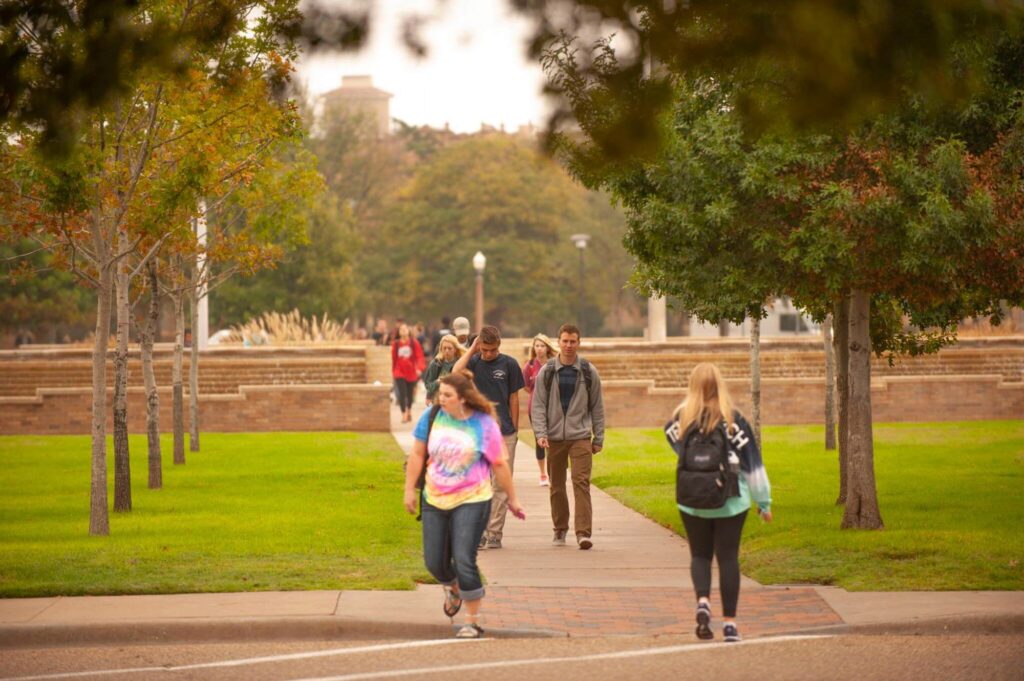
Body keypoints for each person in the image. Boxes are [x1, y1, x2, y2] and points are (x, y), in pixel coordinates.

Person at [403, 371, 525, 639]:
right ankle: (453, 586)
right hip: (435, 498)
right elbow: (417, 453)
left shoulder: (483, 424)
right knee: (434, 562)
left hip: (473, 499)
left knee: (464, 558)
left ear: (463, 398)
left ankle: (472, 621)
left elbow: (499, 464)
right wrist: (409, 489)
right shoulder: (432, 416)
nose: (441, 399)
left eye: (447, 395)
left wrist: (513, 499)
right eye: (440, 394)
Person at [664, 362, 772, 643]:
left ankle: (702, 601)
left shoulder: (680, 420)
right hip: (731, 500)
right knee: (727, 558)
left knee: (699, 555)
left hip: (692, 499)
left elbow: (677, 446)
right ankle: (730, 625)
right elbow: (753, 466)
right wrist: (764, 502)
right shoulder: (734, 421)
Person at [531, 323, 605, 550]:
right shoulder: (548, 371)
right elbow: (538, 406)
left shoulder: (588, 371)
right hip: (554, 437)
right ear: (559, 342)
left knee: (581, 483)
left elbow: (597, 407)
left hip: (580, 436)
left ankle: (583, 533)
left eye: (573, 341)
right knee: (557, 486)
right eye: (565, 341)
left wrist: (598, 437)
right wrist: (541, 434)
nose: (569, 345)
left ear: (578, 343)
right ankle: (560, 528)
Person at [452, 325, 525, 550]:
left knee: (501, 484)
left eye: (492, 350)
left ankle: (494, 533)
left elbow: (514, 398)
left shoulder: (510, 364)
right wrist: (473, 349)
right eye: (485, 349)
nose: (489, 354)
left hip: (504, 432)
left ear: (499, 345)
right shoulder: (474, 362)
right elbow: (455, 373)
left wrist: (513, 427)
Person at [522, 333, 559, 486]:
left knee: (553, 440)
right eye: (536, 346)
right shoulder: (529, 365)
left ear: (547, 347)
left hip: (552, 407)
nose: (539, 349)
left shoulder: (554, 364)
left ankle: (553, 472)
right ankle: (543, 474)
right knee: (540, 440)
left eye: (542, 346)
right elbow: (525, 385)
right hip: (534, 409)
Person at [391, 323, 425, 423]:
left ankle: (409, 410)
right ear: (399, 332)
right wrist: (393, 371)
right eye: (401, 329)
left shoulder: (414, 343)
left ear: (409, 331)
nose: (404, 330)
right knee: (402, 393)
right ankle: (404, 414)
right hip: (399, 372)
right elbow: (393, 359)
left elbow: (419, 356)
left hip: (411, 372)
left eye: (405, 328)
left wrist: (419, 368)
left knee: (410, 394)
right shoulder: (396, 344)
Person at [423, 334, 465, 405]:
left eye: (450, 348)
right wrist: (437, 382)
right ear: (441, 349)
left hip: (456, 402)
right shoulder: (436, 364)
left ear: (455, 349)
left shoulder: (461, 363)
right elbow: (428, 385)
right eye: (444, 348)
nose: (447, 351)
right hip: (438, 401)